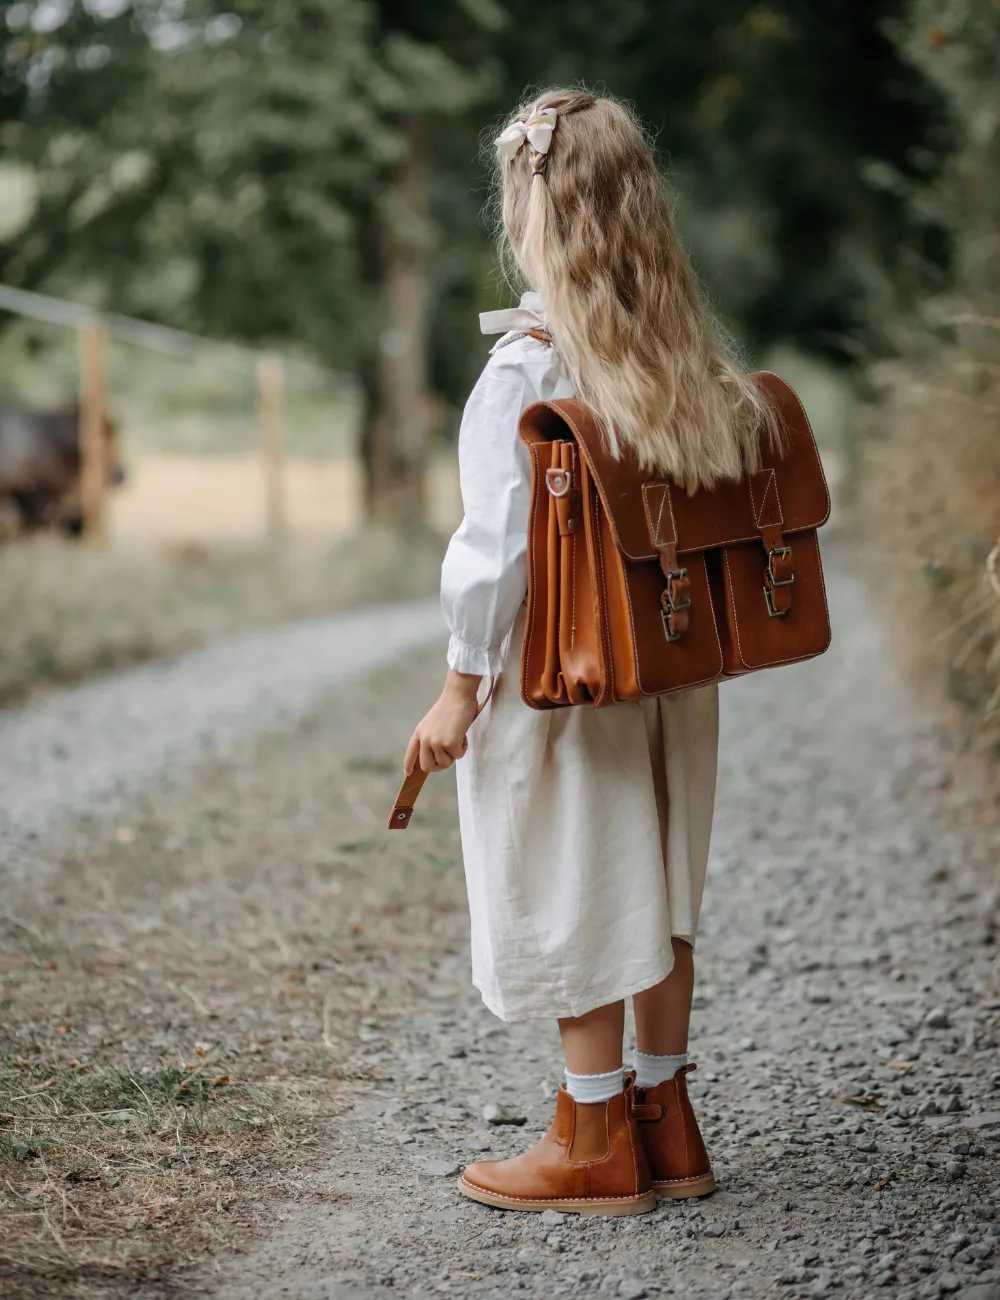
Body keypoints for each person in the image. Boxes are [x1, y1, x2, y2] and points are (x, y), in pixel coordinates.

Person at [403, 89, 776, 1216]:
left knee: (575, 888)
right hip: (668, 676)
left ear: (529, 212)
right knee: (658, 891)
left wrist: (460, 688)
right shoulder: (678, 361)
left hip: (560, 680)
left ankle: (590, 1138)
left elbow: (492, 553)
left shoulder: (525, 373)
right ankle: (670, 1125)